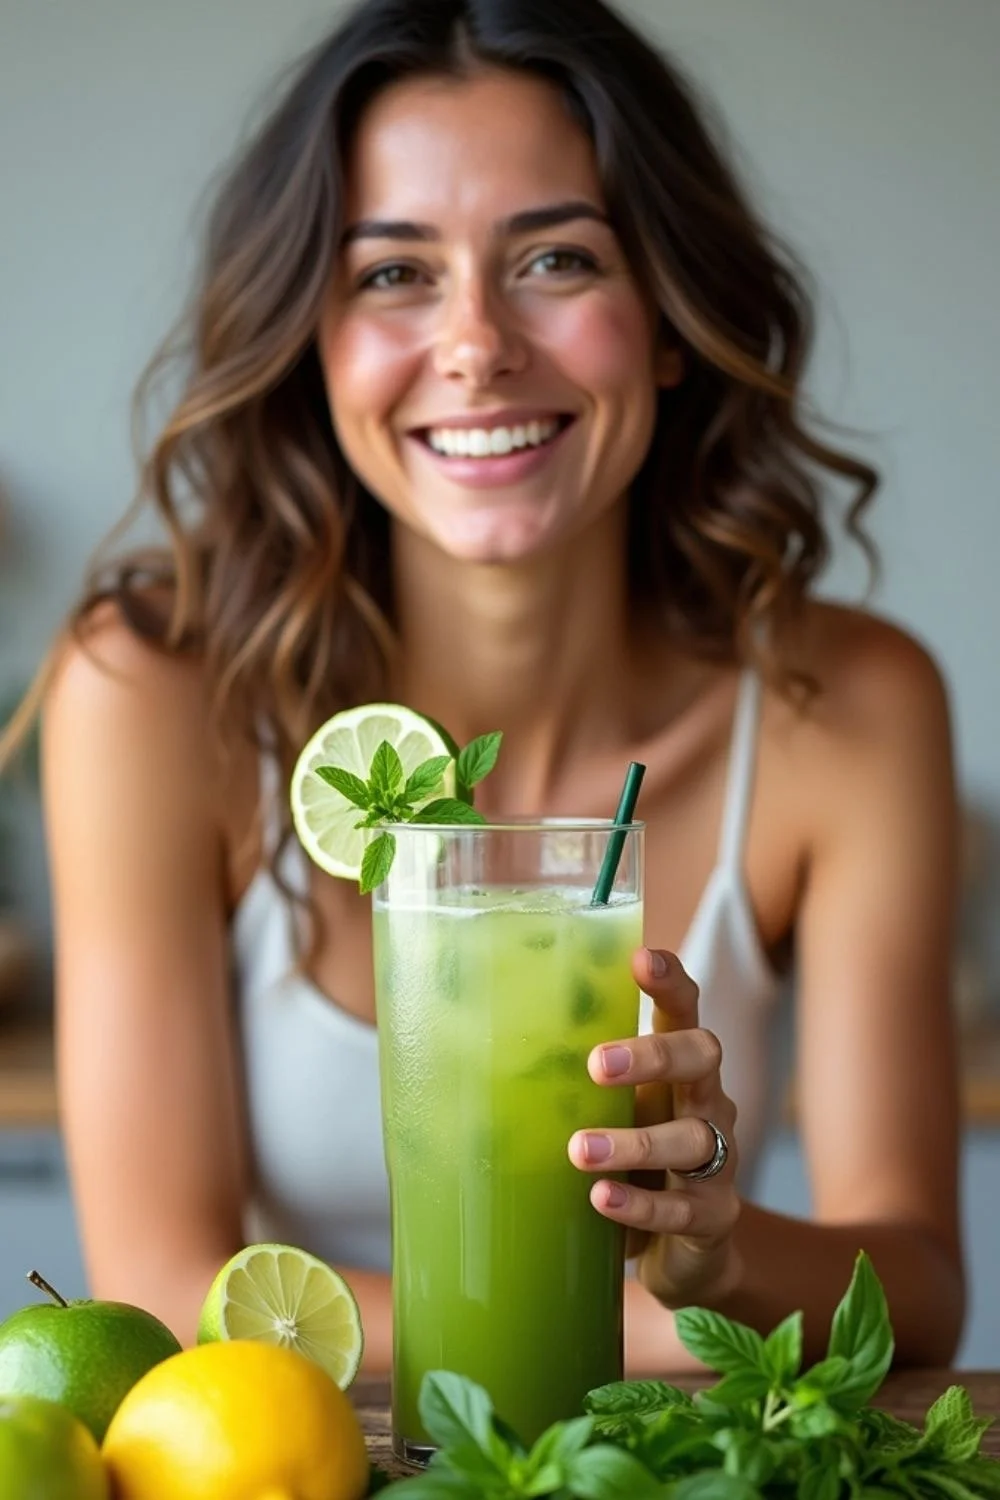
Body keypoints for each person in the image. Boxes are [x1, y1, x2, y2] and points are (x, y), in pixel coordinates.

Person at [5, 0, 964, 1373]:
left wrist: (724, 1252)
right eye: (394, 275)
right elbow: (164, 1286)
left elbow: (919, 1288)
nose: (475, 345)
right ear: (314, 342)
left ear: (674, 320)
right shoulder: (154, 694)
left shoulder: (852, 708)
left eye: (557, 259)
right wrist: (655, 1323)